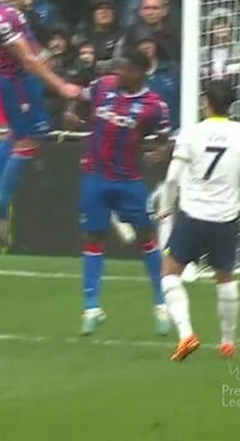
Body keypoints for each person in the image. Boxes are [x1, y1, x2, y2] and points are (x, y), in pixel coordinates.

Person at [157, 80, 240, 362]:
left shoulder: (191, 133)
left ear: (206, 102)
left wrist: (166, 207)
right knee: (225, 276)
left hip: (193, 216)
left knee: (169, 274)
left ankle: (186, 334)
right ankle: (228, 341)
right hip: (226, 218)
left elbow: (171, 178)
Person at [67, 51, 172, 336]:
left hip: (129, 181)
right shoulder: (103, 86)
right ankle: (91, 308)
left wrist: (160, 152)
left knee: (146, 238)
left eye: (125, 69)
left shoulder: (154, 106)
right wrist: (73, 115)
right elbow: (79, 99)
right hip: (96, 177)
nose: (119, 74)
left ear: (140, 72)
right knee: (93, 236)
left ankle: (161, 304)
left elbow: (164, 139)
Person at [0, 0, 83, 244]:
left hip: (19, 80)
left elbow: (34, 49)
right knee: (29, 141)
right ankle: (0, 208)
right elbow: (27, 57)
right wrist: (60, 85)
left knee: (15, 134)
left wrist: (52, 63)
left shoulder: (11, 13)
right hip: (18, 83)